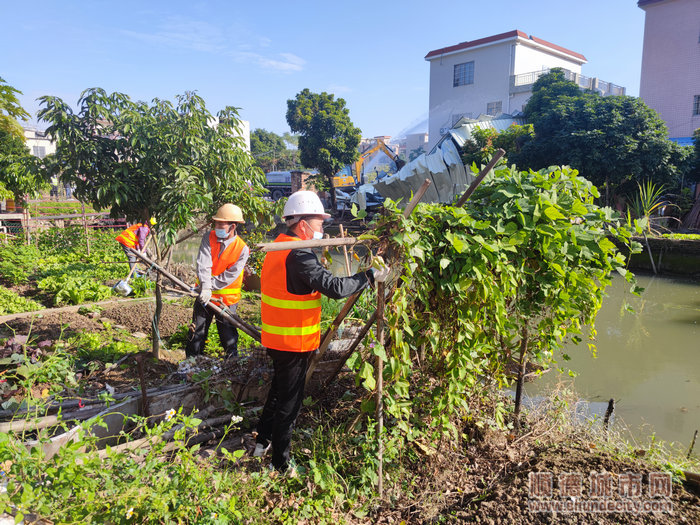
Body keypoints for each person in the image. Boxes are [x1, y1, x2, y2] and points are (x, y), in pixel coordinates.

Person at [254, 190, 390, 473]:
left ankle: (262, 440)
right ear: (302, 223)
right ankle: (280, 463)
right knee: (289, 403)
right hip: (293, 338)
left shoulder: (278, 246)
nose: (322, 229)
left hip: (279, 335)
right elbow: (335, 288)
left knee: (279, 391)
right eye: (319, 223)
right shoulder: (298, 254)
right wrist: (368, 275)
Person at [185, 203, 249, 358]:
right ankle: (191, 363)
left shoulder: (242, 249)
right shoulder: (209, 237)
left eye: (221, 224)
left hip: (227, 299)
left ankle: (232, 363)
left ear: (232, 226)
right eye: (216, 223)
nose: (217, 227)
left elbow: (230, 275)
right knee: (197, 331)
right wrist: (205, 288)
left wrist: (209, 286)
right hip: (205, 295)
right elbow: (203, 263)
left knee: (228, 335)